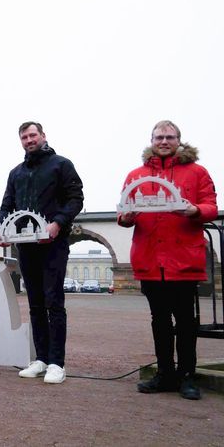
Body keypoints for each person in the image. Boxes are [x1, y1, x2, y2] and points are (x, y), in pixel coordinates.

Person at [118, 120, 217, 400]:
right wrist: (124, 218)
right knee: (159, 320)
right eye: (159, 137)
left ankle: (187, 376)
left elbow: (211, 205)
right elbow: (125, 210)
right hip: (150, 260)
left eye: (169, 137)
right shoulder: (136, 175)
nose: (164, 141)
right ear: (151, 140)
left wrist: (194, 209)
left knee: (186, 321)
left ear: (179, 140)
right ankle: (165, 374)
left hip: (182, 260)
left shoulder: (197, 172)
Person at [0, 122, 83, 384]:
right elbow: (7, 206)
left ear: (43, 136)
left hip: (53, 244)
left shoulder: (61, 165)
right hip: (25, 245)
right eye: (24, 137)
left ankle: (57, 363)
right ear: (21, 141)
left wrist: (57, 223)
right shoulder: (16, 173)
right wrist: (0, 230)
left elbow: (75, 199)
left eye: (33, 135)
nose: (29, 140)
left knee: (53, 301)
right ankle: (41, 358)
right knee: (34, 303)